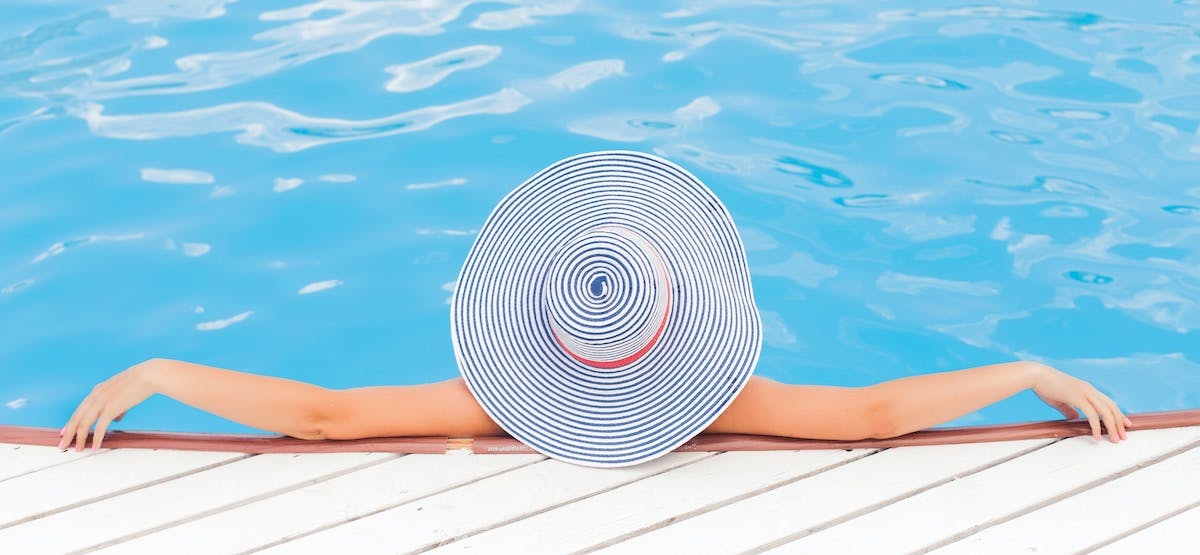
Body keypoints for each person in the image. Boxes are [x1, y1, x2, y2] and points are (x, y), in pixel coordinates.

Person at [57, 152, 1131, 464]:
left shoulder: (487, 406)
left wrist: (161, 372)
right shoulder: (724, 402)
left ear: (540, 325)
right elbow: (871, 416)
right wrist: (1025, 372)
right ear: (681, 311)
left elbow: (325, 416)